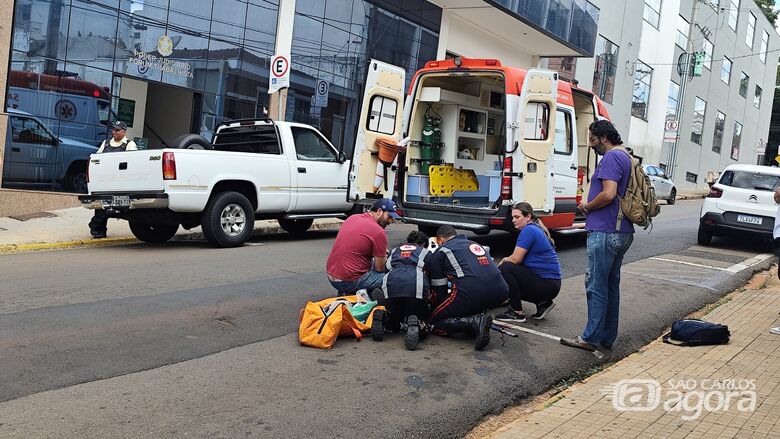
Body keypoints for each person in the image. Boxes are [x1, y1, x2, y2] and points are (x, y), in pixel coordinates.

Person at [561, 120, 634, 352]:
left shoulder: (612, 157)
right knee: (611, 286)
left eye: (592, 140)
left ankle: (590, 338)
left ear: (603, 137)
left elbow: (609, 194)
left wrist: (587, 206)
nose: (591, 145)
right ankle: (606, 337)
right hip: (621, 230)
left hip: (605, 230)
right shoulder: (626, 156)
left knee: (596, 285)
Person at [426, 225, 509, 350]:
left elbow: (439, 288)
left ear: (441, 240)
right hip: (501, 291)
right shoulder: (475, 244)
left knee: (432, 322)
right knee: (468, 301)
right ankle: (475, 318)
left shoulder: (442, 251)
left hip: (471, 292)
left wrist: (436, 308)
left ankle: (473, 321)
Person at [494, 202, 561, 323]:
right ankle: (542, 303)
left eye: (517, 217)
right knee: (510, 270)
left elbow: (516, 259)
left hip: (547, 285)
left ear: (528, 217)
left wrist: (504, 260)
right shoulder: (535, 228)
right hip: (551, 285)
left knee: (506, 268)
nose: (513, 220)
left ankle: (517, 312)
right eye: (512, 217)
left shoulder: (529, 230)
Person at [325, 198, 399, 296]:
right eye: (389, 217)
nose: (390, 221)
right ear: (379, 211)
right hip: (349, 281)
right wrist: (383, 257)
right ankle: (373, 298)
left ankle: (348, 293)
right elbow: (379, 268)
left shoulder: (352, 218)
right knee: (394, 277)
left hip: (332, 275)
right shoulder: (379, 232)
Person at [379, 231, 432, 350]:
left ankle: (384, 319)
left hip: (391, 284)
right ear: (423, 244)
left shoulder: (395, 250)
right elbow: (433, 274)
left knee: (394, 318)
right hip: (415, 285)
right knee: (420, 313)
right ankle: (416, 323)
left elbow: (386, 268)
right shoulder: (424, 252)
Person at [88, 121, 138, 238]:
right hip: (104, 180)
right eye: (113, 129)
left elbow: (132, 163)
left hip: (120, 182)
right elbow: (97, 159)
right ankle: (99, 230)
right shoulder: (106, 143)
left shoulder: (130, 145)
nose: (114, 132)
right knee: (101, 206)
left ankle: (95, 226)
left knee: (108, 206)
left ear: (124, 131)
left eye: (117, 130)